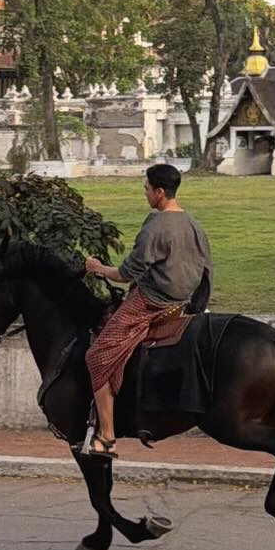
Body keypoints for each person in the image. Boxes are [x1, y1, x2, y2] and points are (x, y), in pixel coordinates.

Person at [83, 162, 212, 451]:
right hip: (184, 303)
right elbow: (207, 271)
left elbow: (126, 273)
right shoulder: (194, 225)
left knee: (96, 356)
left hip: (151, 303)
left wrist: (97, 268)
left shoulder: (155, 225)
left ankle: (106, 434)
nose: (144, 193)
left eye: (146, 189)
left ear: (160, 192)